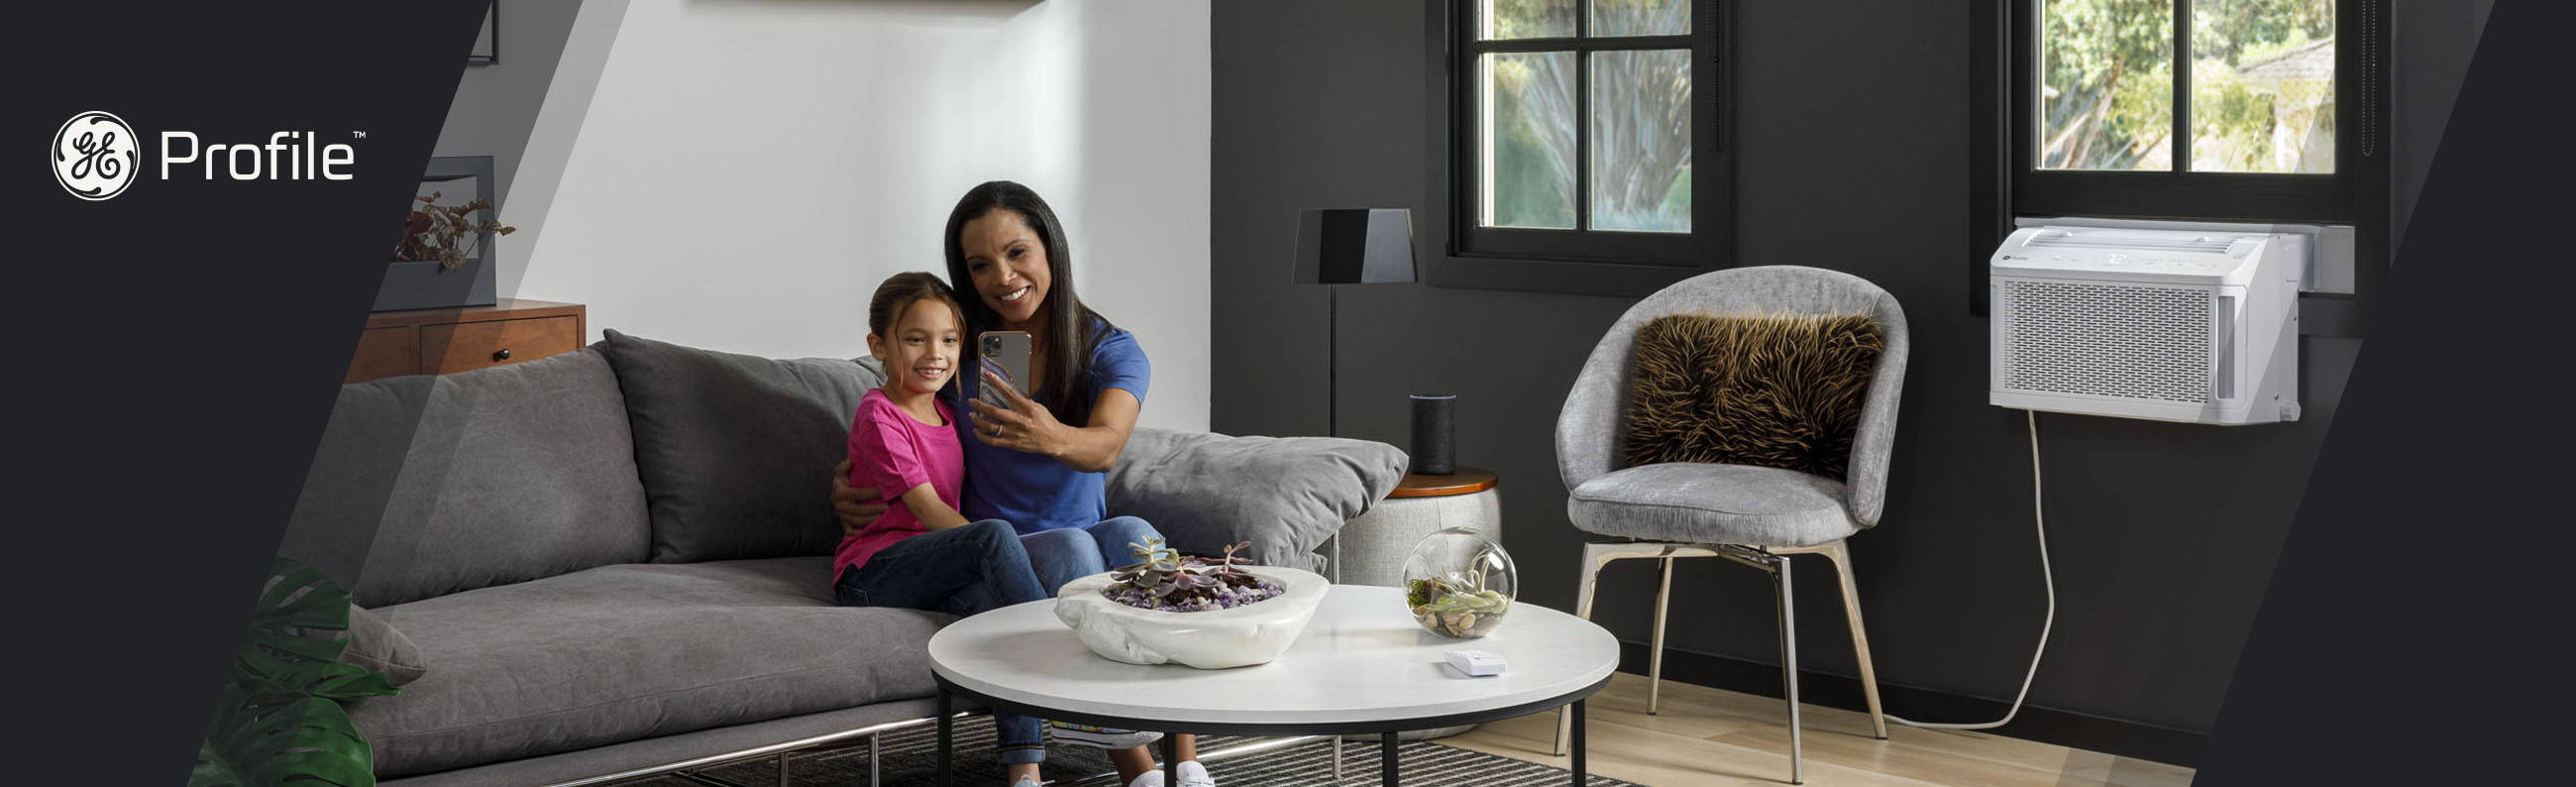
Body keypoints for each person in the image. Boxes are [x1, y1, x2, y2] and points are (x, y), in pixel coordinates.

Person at [833, 182, 1210, 787]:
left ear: (1051, 251)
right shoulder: (962, 354)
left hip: (1073, 528)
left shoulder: (1109, 349)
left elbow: (1106, 444)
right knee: (1071, 550)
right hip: (1004, 542)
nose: (1001, 277)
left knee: (1142, 538)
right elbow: (897, 417)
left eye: (1017, 253)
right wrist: (850, 481)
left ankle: (1186, 760)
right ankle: (1138, 767)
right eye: (979, 264)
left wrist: (1050, 433)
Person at [832, 272, 1059, 784]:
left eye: (949, 340)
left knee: (991, 618)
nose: (935, 352)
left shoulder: (945, 410)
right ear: (878, 346)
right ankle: (1057, 653)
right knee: (994, 536)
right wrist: (998, 547)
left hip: (932, 567)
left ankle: (1025, 772)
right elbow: (930, 510)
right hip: (872, 574)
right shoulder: (879, 415)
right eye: (916, 338)